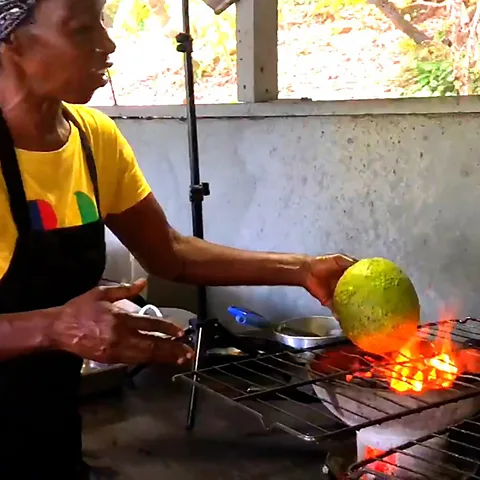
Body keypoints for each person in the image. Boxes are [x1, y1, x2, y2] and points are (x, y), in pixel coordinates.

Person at [0, 0, 356, 478]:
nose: (108, 44)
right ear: (14, 41)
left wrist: (300, 269)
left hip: (49, 425)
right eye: (83, 29)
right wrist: (55, 328)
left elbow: (169, 252)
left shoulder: (92, 139)